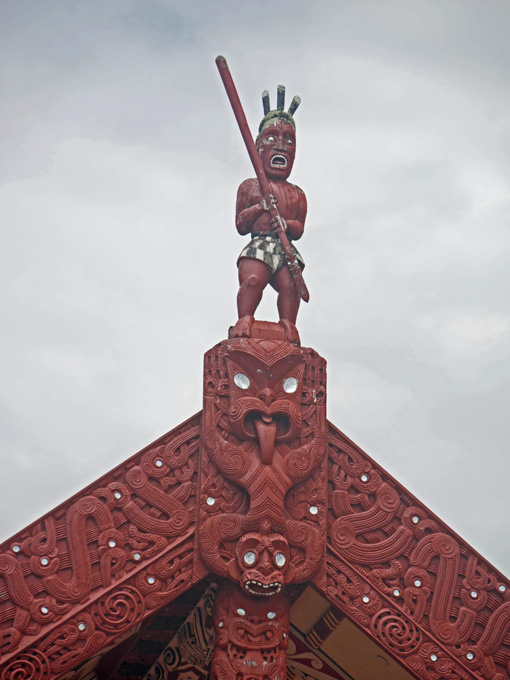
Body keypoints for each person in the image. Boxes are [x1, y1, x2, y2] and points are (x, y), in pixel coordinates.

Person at [232, 100, 307, 344]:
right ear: (257, 147)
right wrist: (260, 207)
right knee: (253, 280)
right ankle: (244, 318)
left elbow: (299, 227)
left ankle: (288, 323)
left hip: (284, 248)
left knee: (291, 286)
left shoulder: (297, 193)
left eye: (289, 141)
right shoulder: (250, 187)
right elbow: (241, 224)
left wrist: (286, 224)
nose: (281, 146)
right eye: (272, 138)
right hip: (260, 246)